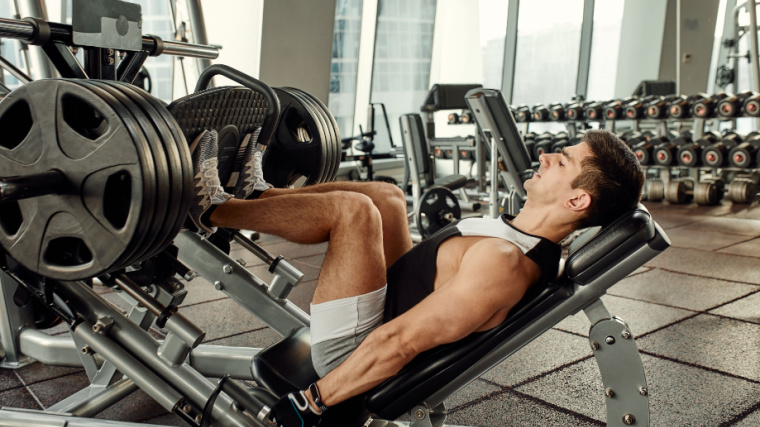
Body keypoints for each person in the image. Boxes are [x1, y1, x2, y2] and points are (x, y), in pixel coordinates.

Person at [188, 128, 645, 426]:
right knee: (387, 196)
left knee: (355, 211)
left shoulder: (504, 263)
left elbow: (401, 342)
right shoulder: (526, 236)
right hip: (393, 301)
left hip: (353, 350)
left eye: (562, 161)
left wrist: (311, 403)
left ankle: (212, 209)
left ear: (577, 202)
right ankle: (263, 194)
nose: (546, 155)